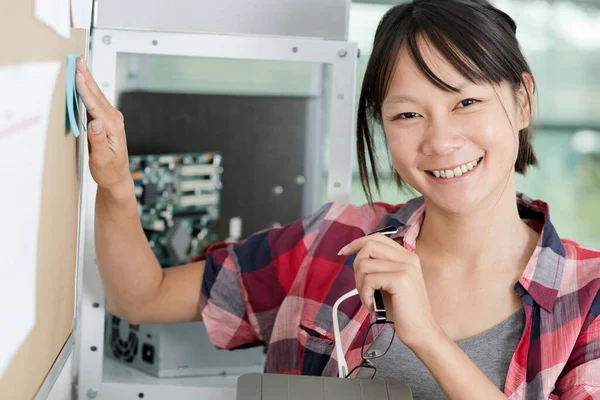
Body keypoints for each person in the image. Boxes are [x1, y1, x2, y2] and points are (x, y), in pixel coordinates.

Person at [75, 0, 600, 398]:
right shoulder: (333, 242)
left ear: (523, 100)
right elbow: (140, 297)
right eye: (407, 115)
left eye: (466, 101)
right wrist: (115, 184)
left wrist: (427, 339)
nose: (440, 141)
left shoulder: (589, 295)